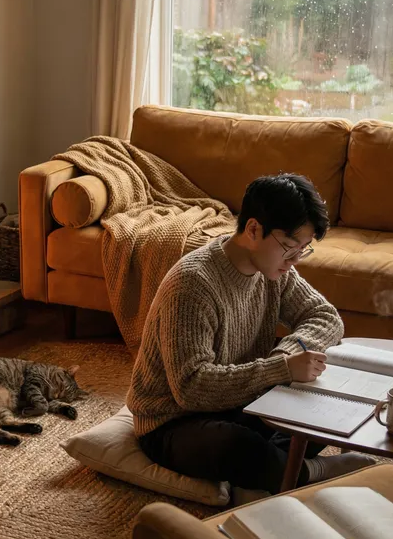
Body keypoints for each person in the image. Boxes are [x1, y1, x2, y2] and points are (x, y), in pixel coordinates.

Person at [128, 173, 376, 494]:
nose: (294, 261)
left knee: (321, 404)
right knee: (232, 444)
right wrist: (281, 370)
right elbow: (191, 388)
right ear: (254, 229)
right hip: (174, 421)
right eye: (289, 248)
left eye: (303, 249)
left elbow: (325, 317)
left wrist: (286, 357)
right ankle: (307, 472)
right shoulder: (193, 285)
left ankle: (266, 472)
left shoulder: (275, 272)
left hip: (242, 401)